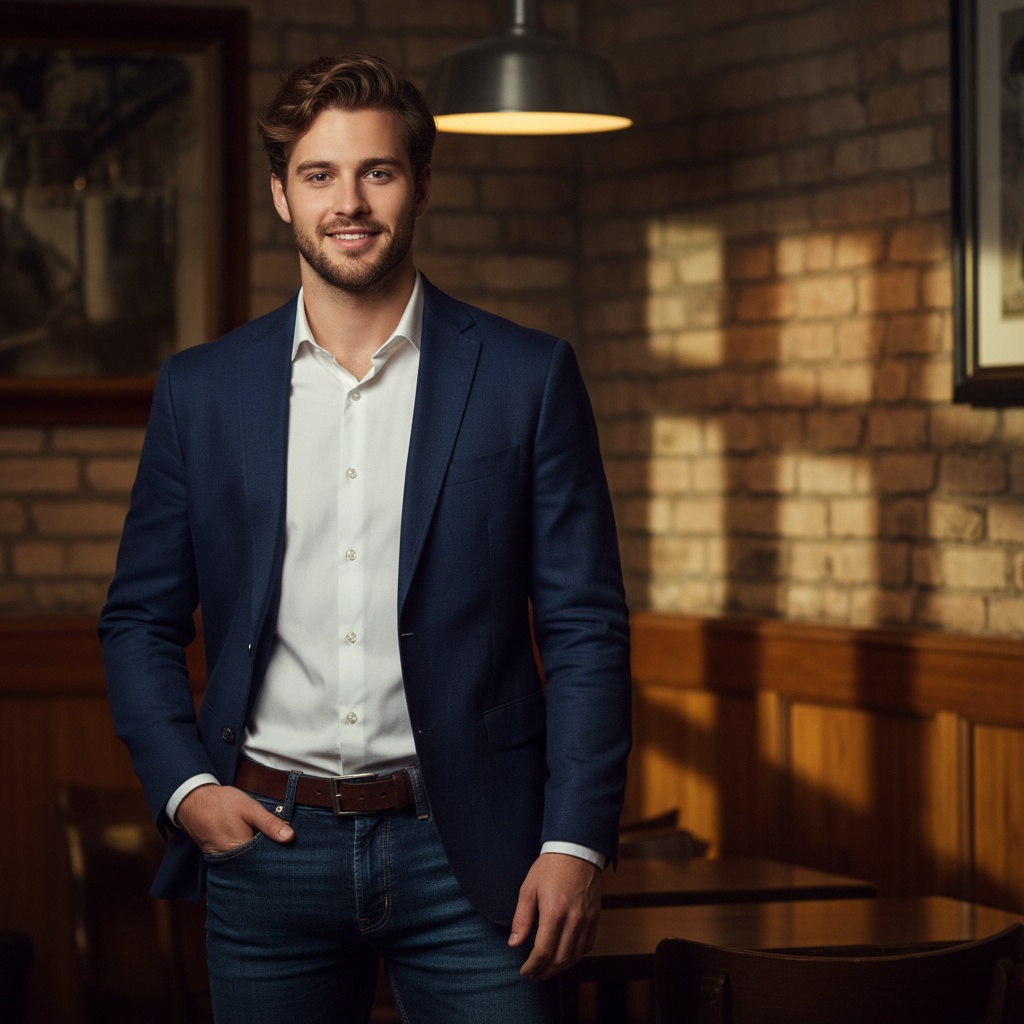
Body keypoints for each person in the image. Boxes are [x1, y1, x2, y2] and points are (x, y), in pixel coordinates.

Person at [98, 53, 631, 1024]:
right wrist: (186, 790)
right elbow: (139, 617)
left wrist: (575, 842)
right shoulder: (201, 390)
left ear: (421, 186)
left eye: (377, 172)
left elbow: (586, 627)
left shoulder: (527, 375)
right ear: (280, 195)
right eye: (319, 175)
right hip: (265, 848)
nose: (349, 201)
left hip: (478, 853)